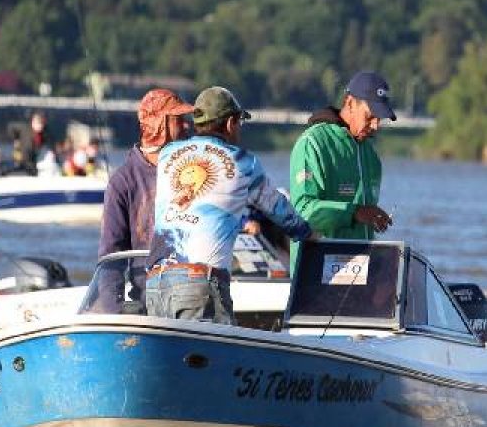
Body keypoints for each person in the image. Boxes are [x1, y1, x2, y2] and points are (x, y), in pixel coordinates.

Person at [146, 86, 312, 324]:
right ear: (230, 123)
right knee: (213, 358)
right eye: (239, 123)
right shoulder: (244, 162)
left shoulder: (167, 154)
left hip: (155, 282)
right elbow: (280, 211)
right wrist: (308, 232)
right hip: (199, 282)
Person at [97, 88, 195, 314]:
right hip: (150, 301)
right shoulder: (122, 183)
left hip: (194, 296)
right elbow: (111, 256)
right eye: (179, 120)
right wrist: (113, 316)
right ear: (159, 126)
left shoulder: (192, 170)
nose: (188, 126)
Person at [288, 71, 396, 268]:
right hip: (315, 276)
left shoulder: (371, 156)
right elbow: (302, 212)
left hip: (359, 277)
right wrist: (355, 213)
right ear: (350, 103)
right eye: (370, 116)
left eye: (380, 119)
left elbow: (363, 220)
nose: (375, 126)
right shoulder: (312, 143)